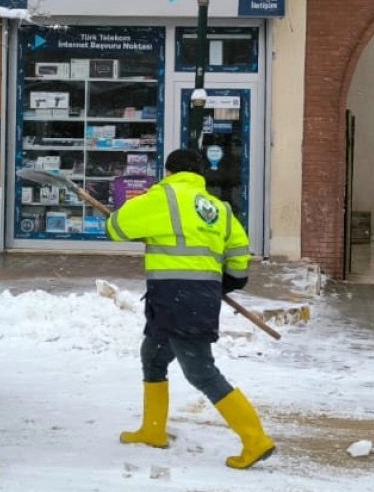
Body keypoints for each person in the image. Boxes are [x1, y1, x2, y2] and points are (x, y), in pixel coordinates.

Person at [108, 147, 275, 469]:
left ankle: (255, 440)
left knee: (201, 371)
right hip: (196, 296)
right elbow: (239, 255)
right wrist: (225, 283)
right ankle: (152, 431)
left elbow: (115, 229)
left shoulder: (160, 198)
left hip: (173, 297)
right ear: (199, 175)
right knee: (153, 356)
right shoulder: (217, 207)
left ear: (168, 172)